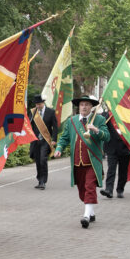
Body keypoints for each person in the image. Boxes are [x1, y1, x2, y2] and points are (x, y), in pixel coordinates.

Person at [53, 95, 109, 229]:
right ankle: (91, 213)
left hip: (92, 161)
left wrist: (96, 130)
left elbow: (107, 137)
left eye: (87, 105)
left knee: (90, 187)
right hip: (77, 162)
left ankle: (86, 216)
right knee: (82, 190)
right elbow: (64, 138)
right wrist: (59, 148)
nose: (84, 107)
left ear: (91, 107)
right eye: (82, 104)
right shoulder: (72, 121)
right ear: (79, 107)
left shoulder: (99, 119)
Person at [28, 94, 58, 190]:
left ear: (43, 103)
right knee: (37, 161)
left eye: (39, 104)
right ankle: (39, 180)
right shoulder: (33, 112)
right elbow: (29, 125)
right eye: (36, 104)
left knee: (42, 159)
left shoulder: (51, 112)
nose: (38, 106)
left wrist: (54, 139)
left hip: (45, 140)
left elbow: (55, 127)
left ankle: (43, 181)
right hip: (35, 141)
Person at [101, 117, 130, 199]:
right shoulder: (107, 116)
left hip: (125, 148)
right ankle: (109, 190)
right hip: (111, 147)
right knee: (111, 169)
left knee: (123, 171)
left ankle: (120, 190)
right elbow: (102, 124)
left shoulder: (126, 115)